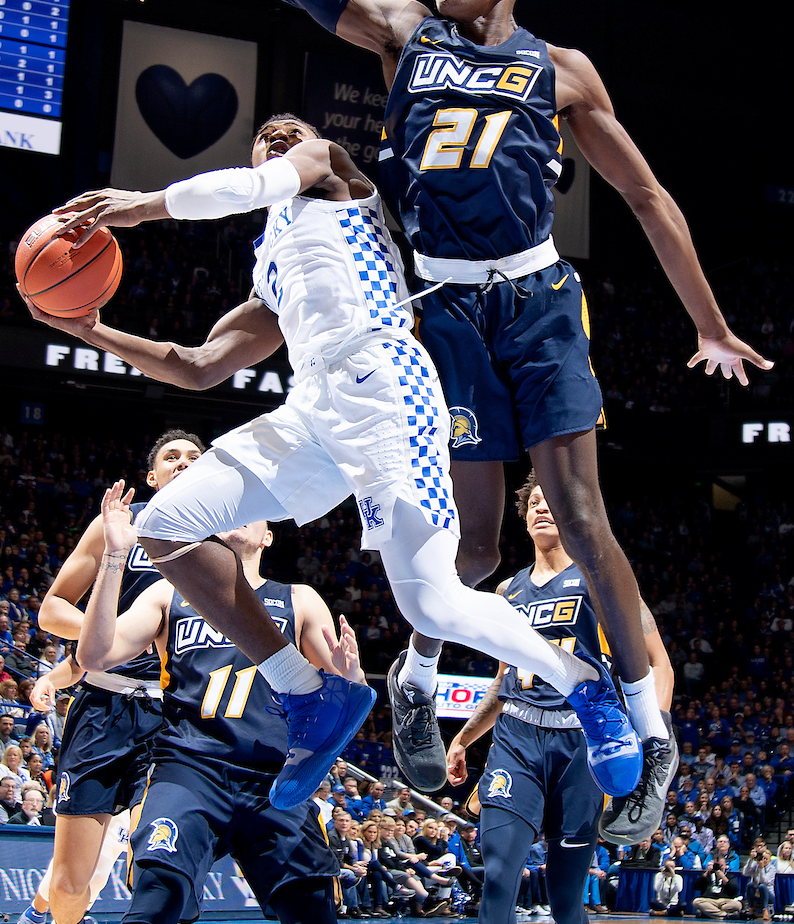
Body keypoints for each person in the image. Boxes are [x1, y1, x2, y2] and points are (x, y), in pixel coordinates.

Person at [100, 0, 771, 829]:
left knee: (578, 517)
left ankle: (640, 721)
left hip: (534, 300)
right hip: (444, 309)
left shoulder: (562, 70)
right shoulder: (406, 35)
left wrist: (706, 321)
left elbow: (649, 196)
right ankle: (412, 678)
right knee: (479, 546)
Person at [42, 115, 641, 806]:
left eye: (289, 126)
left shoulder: (330, 175)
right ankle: (308, 694)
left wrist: (141, 206)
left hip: (386, 384)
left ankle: (581, 683)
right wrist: (93, 332)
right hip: (311, 407)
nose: (279, 134)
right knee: (168, 523)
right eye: (265, 132)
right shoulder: (269, 257)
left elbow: (259, 183)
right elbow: (202, 366)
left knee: (435, 604)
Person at [76, 482, 354, 924]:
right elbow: (91, 657)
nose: (237, 515)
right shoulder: (166, 593)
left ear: (268, 536)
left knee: (311, 910)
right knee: (156, 897)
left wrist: (347, 676)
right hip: (189, 766)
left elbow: (341, 701)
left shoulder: (298, 597)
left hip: (273, 776)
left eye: (252, 510)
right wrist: (112, 556)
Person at [445, 472, 674, 924]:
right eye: (533, 504)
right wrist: (465, 738)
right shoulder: (507, 591)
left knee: (566, 896)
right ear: (524, 518)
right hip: (517, 738)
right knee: (498, 873)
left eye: (551, 502)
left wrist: (655, 736)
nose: (542, 509)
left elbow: (659, 665)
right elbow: (503, 680)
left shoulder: (601, 578)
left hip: (583, 743)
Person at [17, 431, 204, 924]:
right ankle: (56, 917)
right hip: (105, 708)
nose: (183, 463)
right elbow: (51, 611)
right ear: (152, 476)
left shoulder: (222, 538)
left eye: (194, 457)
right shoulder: (117, 528)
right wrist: (119, 634)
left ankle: (148, 867)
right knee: (75, 880)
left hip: (174, 717)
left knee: (150, 858)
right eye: (171, 457)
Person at [691, 854, 742, 920]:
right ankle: (725, 915)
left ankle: (710, 913)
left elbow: (735, 891)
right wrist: (707, 872)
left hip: (725, 902)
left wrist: (723, 877)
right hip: (709, 901)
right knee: (696, 901)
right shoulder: (707, 875)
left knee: (738, 905)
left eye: (721, 865)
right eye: (716, 865)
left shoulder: (729, 876)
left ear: (726, 866)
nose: (719, 868)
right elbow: (696, 886)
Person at [743, 845, 776, 921]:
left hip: (768, 894)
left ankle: (765, 910)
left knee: (762, 886)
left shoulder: (772, 869)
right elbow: (745, 873)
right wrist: (750, 860)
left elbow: (764, 882)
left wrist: (761, 869)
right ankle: (751, 909)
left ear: (769, 860)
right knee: (750, 885)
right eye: (762, 858)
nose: (763, 860)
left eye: (766, 859)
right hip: (755, 893)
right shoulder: (755, 865)